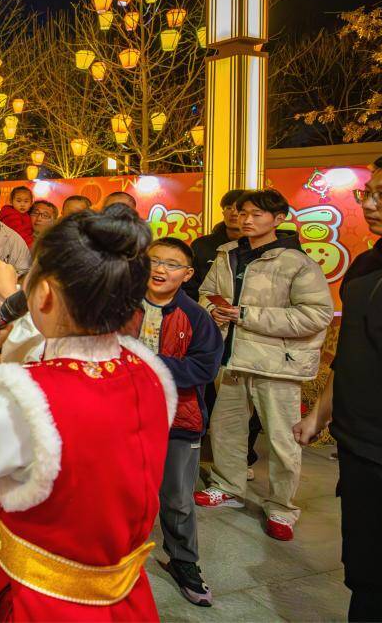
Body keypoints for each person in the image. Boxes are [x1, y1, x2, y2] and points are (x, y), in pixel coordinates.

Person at [0, 205, 174, 620]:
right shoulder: (148, 373)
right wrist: (9, 297)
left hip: (36, 599)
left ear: (44, 295)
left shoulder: (22, 399)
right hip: (123, 596)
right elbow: (55, 348)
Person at [293, 151, 382, 619]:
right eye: (369, 194)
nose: (371, 205)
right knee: (365, 572)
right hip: (358, 448)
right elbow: (354, 351)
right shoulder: (366, 266)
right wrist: (321, 412)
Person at [196, 188, 334, 542]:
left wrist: (245, 315)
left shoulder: (297, 263)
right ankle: (228, 486)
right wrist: (214, 311)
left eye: (256, 214)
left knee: (282, 439)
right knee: (226, 430)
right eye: (243, 213)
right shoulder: (225, 254)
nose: (246, 219)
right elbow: (205, 294)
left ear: (279, 218)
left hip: (277, 363)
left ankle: (282, 507)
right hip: (230, 359)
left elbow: (315, 315)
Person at [136, 237, 223, 608]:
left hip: (178, 420)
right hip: (125, 416)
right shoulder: (119, 306)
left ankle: (184, 561)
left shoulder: (197, 317)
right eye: (154, 261)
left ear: (187, 274)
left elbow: (205, 366)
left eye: (172, 265)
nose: (160, 270)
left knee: (177, 498)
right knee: (124, 493)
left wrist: (147, 366)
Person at [186, 189, 247, 299]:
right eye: (229, 208)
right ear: (223, 212)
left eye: (239, 208)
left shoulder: (259, 246)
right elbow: (189, 285)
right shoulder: (201, 245)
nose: (233, 213)